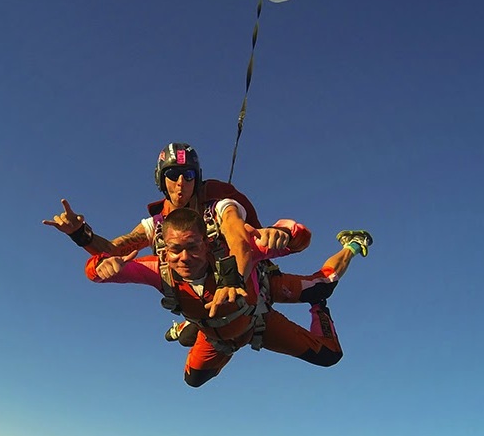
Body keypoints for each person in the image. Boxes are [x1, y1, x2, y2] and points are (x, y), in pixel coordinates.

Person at [44, 142, 314, 343]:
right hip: (203, 292)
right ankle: (193, 320)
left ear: (198, 179)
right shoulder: (157, 224)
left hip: (244, 275)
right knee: (194, 377)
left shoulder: (220, 207)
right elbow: (114, 250)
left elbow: (238, 239)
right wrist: (80, 234)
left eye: (188, 175)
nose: (181, 183)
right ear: (161, 179)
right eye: (173, 174)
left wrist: (234, 279)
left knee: (319, 323)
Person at [85, 207, 372, 387]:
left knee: (327, 332)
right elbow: (94, 272)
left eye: (193, 247)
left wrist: (282, 232)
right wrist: (102, 265)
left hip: (259, 312)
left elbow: (301, 238)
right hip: (218, 336)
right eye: (175, 250)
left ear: (206, 243)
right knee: (193, 380)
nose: (184, 257)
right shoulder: (159, 270)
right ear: (164, 249)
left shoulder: (235, 248)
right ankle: (192, 325)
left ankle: (351, 247)